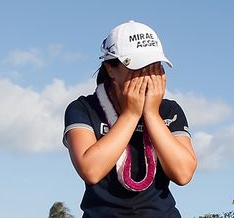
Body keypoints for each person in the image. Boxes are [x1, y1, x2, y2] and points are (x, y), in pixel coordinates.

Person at [63, 20, 197, 218]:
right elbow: (91, 170)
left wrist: (151, 114)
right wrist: (131, 114)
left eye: (154, 66)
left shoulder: (168, 110)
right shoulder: (83, 108)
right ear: (110, 68)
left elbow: (183, 173)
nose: (147, 76)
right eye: (138, 67)